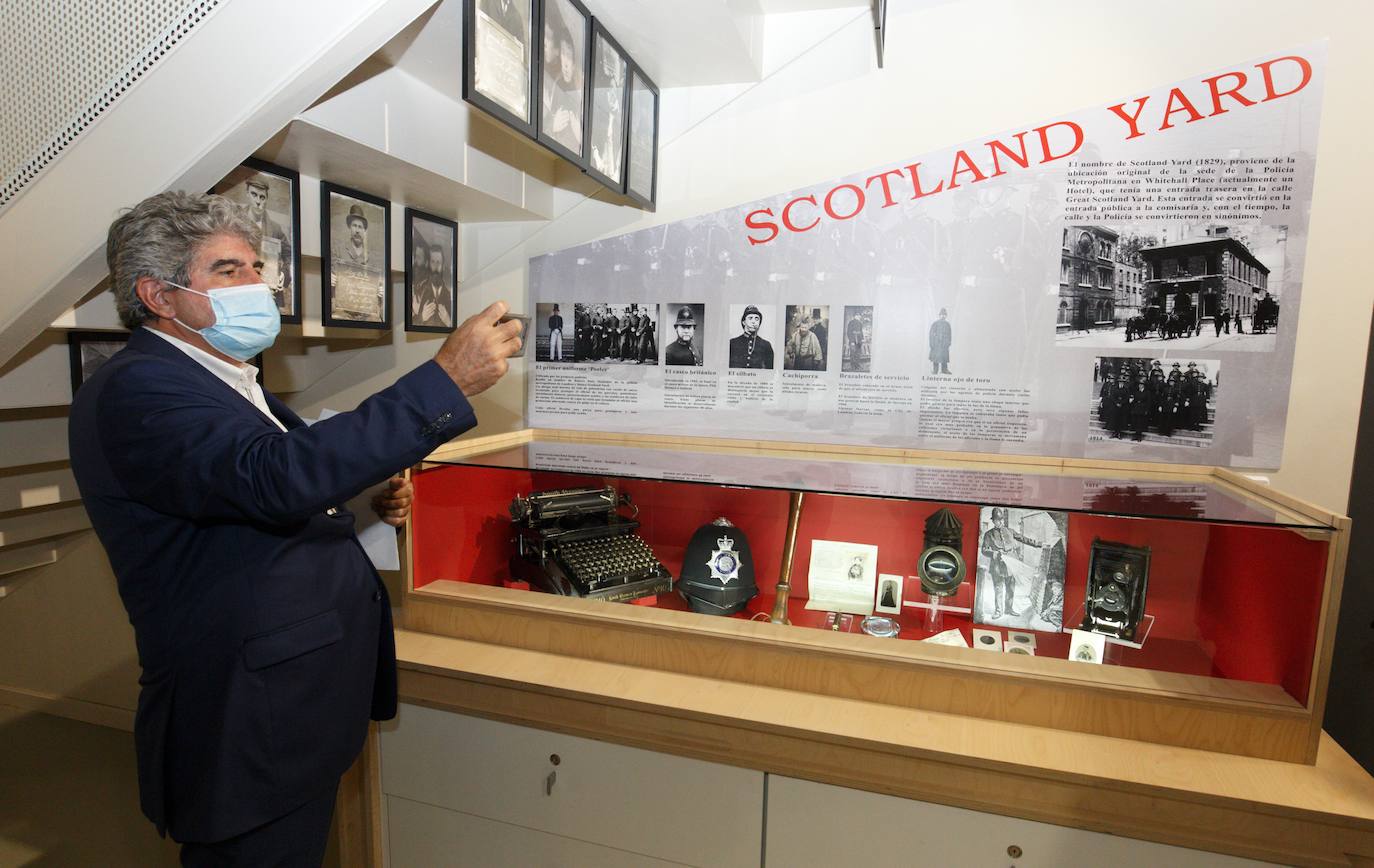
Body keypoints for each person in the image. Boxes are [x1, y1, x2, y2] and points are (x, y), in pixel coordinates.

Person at [67, 191, 522, 865]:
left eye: (256, 267)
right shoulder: (138, 389)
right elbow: (272, 477)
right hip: (244, 716)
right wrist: (444, 379)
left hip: (291, 704)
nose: (257, 285)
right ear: (158, 296)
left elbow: (239, 499)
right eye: (228, 270)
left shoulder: (226, 379)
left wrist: (360, 505)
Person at [981, 508, 1043, 619]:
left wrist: (1038, 544)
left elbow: (1023, 538)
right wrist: (994, 553)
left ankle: (1009, 609)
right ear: (993, 521)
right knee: (998, 588)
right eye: (996, 520)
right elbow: (984, 550)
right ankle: (998, 611)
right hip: (997, 566)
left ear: (1003, 520)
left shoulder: (1010, 531)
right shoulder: (988, 534)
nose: (999, 522)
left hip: (1011, 566)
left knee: (1010, 588)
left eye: (1000, 519)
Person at [241, 177, 292, 310]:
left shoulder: (275, 228)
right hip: (242, 291)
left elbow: (290, 254)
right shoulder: (235, 222)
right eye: (254, 195)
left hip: (269, 294)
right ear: (247, 194)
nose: (258, 201)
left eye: (262, 197)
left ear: (266, 199)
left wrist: (284, 273)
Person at [412, 243, 453, 329]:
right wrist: (421, 317)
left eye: (439, 262)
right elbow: (409, 324)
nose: (436, 266)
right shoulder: (419, 291)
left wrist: (449, 322)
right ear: (428, 264)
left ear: (443, 266)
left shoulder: (450, 295)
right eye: (433, 262)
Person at [928, 308, 952, 374]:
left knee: (944, 357)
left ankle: (944, 370)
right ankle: (935, 370)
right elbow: (931, 334)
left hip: (944, 344)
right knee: (936, 358)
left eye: (944, 315)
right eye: (941, 314)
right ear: (939, 315)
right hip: (936, 344)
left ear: (946, 316)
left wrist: (949, 342)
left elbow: (949, 334)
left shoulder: (947, 324)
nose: (943, 316)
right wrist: (931, 343)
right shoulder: (935, 323)